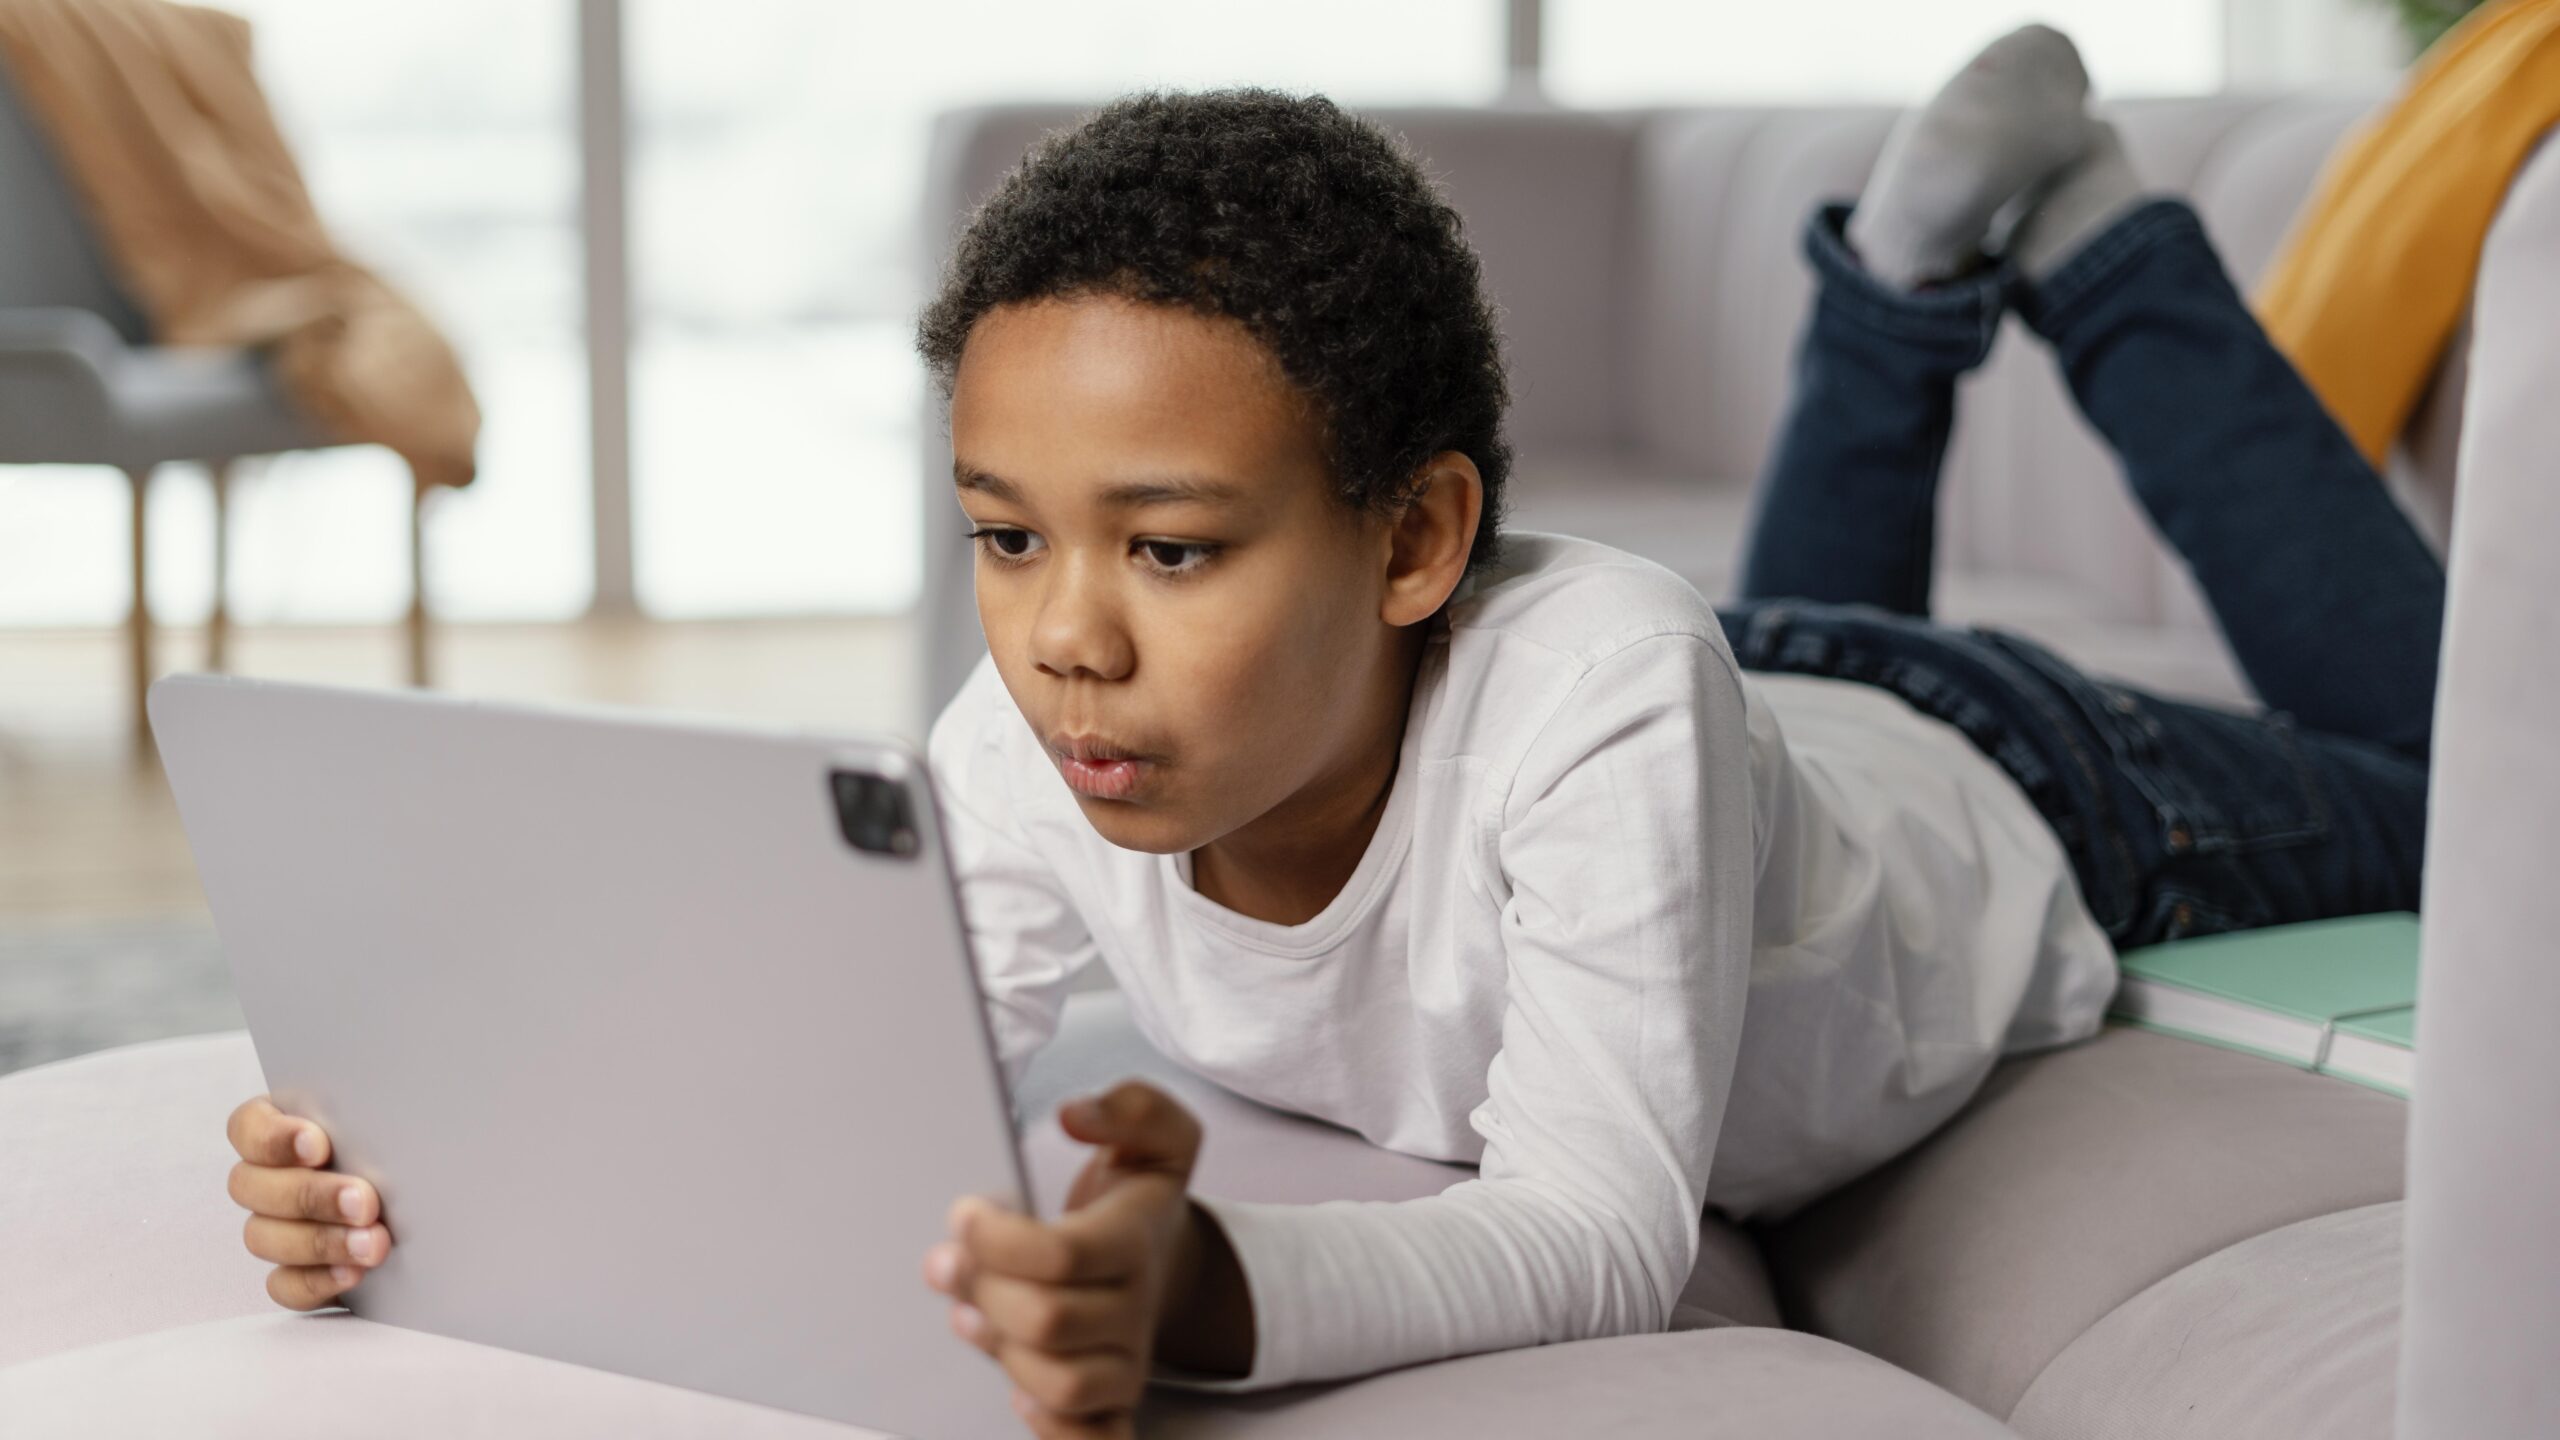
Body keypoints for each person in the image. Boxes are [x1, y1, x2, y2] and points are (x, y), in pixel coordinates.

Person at [216, 26, 2443, 1440]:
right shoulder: (1042, 733)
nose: (1060, 641)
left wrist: (1212, 1288)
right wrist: (412, 1184)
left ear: (1412, 542)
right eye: (1002, 535)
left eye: (1166, 549)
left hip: (2011, 785)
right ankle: (1893, 289)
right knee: (1755, 642)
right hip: (1745, 718)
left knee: (2452, 788)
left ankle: (2091, 240)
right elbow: (792, 1077)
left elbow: (1585, 1225)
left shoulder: (1596, 692)